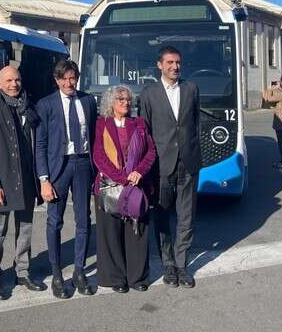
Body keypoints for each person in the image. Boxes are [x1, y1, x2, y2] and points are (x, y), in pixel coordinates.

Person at [0, 66, 46, 299]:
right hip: (3, 182)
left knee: (25, 229)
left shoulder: (31, 107)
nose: (14, 84)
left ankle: (23, 271)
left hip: (27, 179)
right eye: (8, 81)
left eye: (17, 79)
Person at [139, 45, 202, 289]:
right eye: (170, 63)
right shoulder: (149, 93)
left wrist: (196, 154)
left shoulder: (191, 89)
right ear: (160, 65)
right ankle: (168, 265)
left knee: (187, 218)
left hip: (188, 163)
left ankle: (182, 266)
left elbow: (195, 123)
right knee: (162, 217)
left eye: (178, 62)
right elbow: (144, 132)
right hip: (161, 166)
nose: (175, 67)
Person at [35, 59, 97, 299]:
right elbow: (40, 144)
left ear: (77, 78)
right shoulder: (46, 105)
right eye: (64, 79)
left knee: (83, 220)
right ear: (56, 79)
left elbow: (93, 137)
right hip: (57, 168)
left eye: (72, 78)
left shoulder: (88, 101)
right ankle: (57, 274)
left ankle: (79, 271)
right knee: (55, 222)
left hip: (83, 165)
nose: (69, 83)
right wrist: (44, 179)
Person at [92, 85, 157, 293]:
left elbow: (151, 152)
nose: (126, 103)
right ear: (111, 102)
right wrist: (121, 178)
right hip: (109, 186)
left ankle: (137, 277)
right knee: (111, 233)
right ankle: (115, 278)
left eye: (128, 99)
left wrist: (137, 173)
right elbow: (98, 156)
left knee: (137, 231)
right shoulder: (102, 124)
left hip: (137, 185)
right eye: (120, 99)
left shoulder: (138, 124)